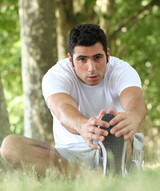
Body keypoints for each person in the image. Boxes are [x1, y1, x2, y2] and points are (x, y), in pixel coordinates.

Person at [0, 24, 146, 177]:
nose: (91, 68)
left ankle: (113, 168)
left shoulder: (122, 70)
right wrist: (83, 126)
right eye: (82, 59)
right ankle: (93, 178)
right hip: (68, 156)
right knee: (10, 146)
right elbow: (63, 108)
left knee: (117, 128)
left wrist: (133, 116)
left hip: (115, 143)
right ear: (70, 59)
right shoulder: (56, 76)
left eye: (97, 58)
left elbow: (134, 98)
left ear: (107, 55)